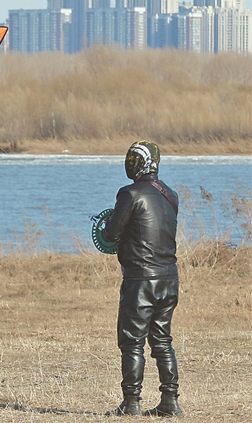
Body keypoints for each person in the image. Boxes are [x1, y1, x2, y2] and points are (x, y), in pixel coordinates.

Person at [101, 141, 183, 417]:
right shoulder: (171, 194)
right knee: (162, 339)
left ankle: (131, 403)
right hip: (170, 278)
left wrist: (107, 221)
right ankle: (170, 402)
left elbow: (111, 235)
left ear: (139, 163)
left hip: (140, 280)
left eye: (132, 158)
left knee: (132, 341)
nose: (129, 163)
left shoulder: (129, 193)